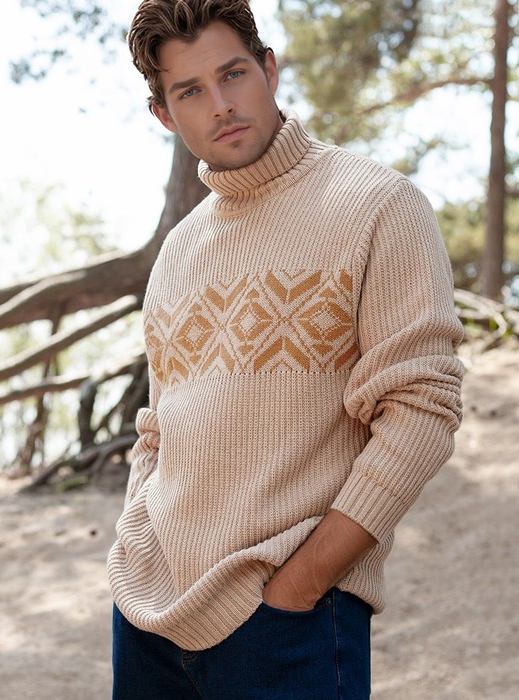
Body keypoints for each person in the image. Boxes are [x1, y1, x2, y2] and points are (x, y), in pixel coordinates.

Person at [107, 1, 464, 697]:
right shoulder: (179, 251)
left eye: (233, 74)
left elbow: (422, 412)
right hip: (147, 621)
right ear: (164, 115)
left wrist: (299, 587)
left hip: (288, 619)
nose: (221, 105)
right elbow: (158, 432)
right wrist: (133, 550)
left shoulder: (377, 205)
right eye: (190, 91)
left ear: (269, 70)